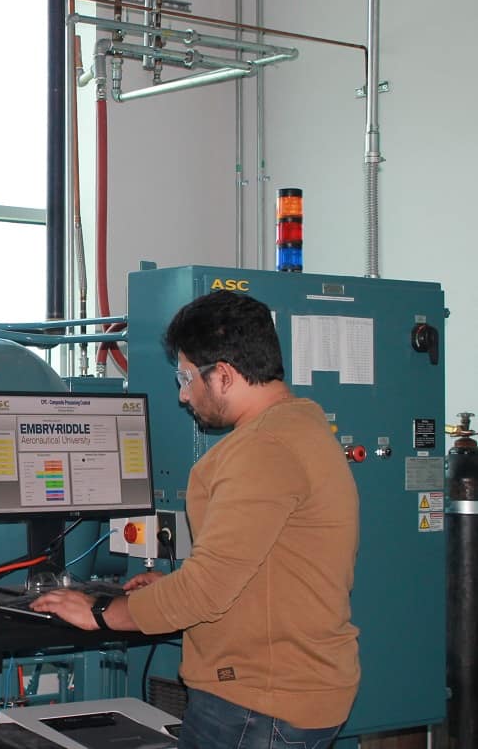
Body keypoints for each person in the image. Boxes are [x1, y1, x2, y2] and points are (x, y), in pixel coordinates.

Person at [31, 289, 360, 748]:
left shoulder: (260, 449)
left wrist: (102, 613)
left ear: (223, 375)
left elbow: (206, 592)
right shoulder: (302, 424)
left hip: (259, 702)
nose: (184, 395)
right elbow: (256, 566)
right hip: (292, 688)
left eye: (186, 377)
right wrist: (168, 590)